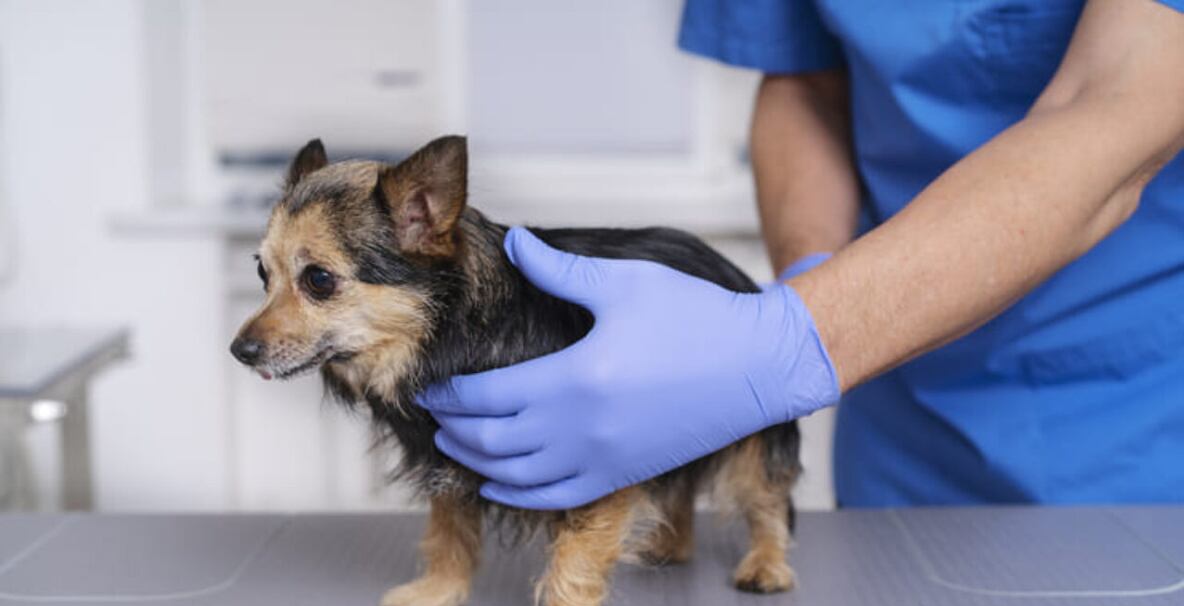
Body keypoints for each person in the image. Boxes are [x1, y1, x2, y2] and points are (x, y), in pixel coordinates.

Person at [419, 0, 1184, 510]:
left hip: (1134, 423)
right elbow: (805, 84)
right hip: (897, 417)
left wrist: (795, 338)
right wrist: (810, 281)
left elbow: (1117, 104)